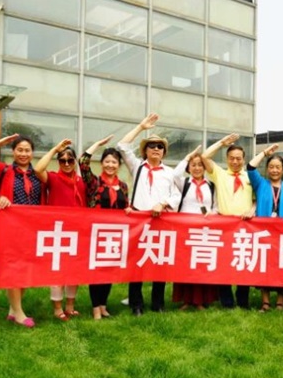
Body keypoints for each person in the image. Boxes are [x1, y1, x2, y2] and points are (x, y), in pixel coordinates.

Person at [0, 134, 45, 328]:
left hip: (32, 228)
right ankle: (19, 313)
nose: (23, 154)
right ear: (13, 152)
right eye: (19, 150)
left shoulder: (38, 173)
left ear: (32, 153)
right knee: (13, 267)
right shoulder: (4, 169)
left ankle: (13, 309)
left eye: (27, 150)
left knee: (26, 268)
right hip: (10, 227)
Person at [116, 113, 180, 316]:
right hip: (139, 222)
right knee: (137, 264)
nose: (156, 149)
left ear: (164, 152)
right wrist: (141, 127)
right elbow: (122, 146)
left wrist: (163, 203)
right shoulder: (137, 167)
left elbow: (176, 195)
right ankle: (136, 304)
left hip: (161, 222)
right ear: (145, 150)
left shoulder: (169, 172)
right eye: (152, 146)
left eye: (160, 146)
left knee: (159, 263)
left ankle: (158, 304)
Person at [34, 139, 87, 321]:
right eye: (62, 160)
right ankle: (57, 308)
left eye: (70, 160)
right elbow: (38, 169)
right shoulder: (53, 178)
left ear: (75, 161)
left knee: (74, 271)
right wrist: (55, 149)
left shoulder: (81, 181)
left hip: (78, 231)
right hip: (58, 231)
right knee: (57, 271)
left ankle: (70, 305)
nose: (66, 163)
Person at [79, 135, 131, 320]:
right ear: (101, 163)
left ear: (119, 165)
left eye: (114, 162)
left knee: (110, 271)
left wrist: (129, 210)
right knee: (96, 272)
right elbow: (83, 162)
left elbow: (125, 206)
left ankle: (103, 305)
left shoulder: (123, 186)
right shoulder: (94, 183)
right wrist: (97, 144)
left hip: (115, 235)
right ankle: (95, 308)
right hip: (96, 235)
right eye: (107, 161)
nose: (110, 165)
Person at [202, 133, 255, 309]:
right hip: (224, 226)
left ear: (243, 159)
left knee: (243, 262)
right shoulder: (220, 174)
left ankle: (243, 301)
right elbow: (205, 156)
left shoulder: (250, 177)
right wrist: (221, 143)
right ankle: (227, 301)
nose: (235, 162)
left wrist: (252, 209)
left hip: (245, 226)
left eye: (238, 158)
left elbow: (257, 199)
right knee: (224, 264)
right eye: (231, 158)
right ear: (227, 159)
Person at [247, 144, 283, 311]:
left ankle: (280, 301)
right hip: (264, 234)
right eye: (271, 167)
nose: (275, 170)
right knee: (265, 265)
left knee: (281, 266)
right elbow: (250, 167)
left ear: (282, 169)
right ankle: (265, 302)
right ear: (267, 169)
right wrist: (264, 153)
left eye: (278, 167)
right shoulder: (261, 184)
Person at [172, 146, 219, 310]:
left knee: (201, 264)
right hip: (185, 231)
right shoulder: (184, 183)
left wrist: (212, 214)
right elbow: (174, 175)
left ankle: (201, 300)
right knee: (185, 265)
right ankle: (186, 300)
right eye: (193, 165)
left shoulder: (211, 186)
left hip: (204, 232)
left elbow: (216, 206)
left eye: (200, 165)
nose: (197, 168)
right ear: (188, 168)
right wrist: (187, 157)